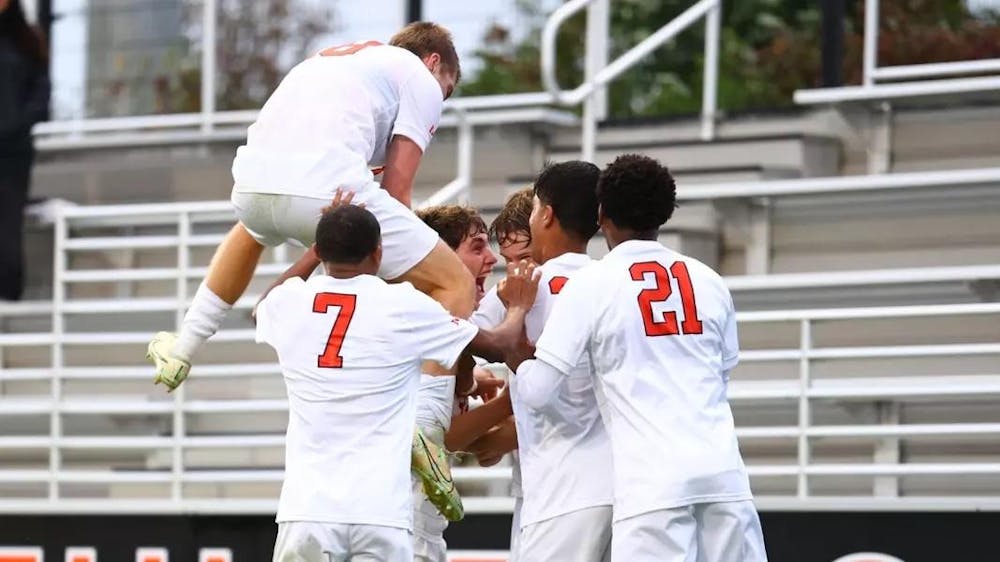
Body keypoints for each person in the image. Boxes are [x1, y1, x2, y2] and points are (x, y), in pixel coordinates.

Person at [149, 21, 470, 390]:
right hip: (324, 186)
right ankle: (429, 426)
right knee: (454, 281)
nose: (439, 101)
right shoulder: (421, 77)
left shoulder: (339, 61)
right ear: (433, 62)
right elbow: (397, 191)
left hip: (251, 185)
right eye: (446, 91)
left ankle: (183, 347)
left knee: (252, 229)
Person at [510, 154, 767, 562]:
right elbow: (721, 376)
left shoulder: (593, 282)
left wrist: (519, 359)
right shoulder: (709, 280)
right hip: (724, 477)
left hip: (653, 487)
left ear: (602, 214)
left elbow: (539, 392)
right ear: (663, 213)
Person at [257, 205, 537, 562]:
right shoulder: (404, 306)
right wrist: (518, 306)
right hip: (382, 510)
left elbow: (262, 306)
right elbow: (500, 345)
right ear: (379, 253)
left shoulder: (289, 302)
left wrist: (315, 251)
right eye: (478, 247)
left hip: (307, 507)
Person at [0, 0, 49, 301]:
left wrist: (18, 123)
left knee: (7, 225)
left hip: (13, 152)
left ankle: (7, 300)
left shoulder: (27, 39)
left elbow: (41, 92)